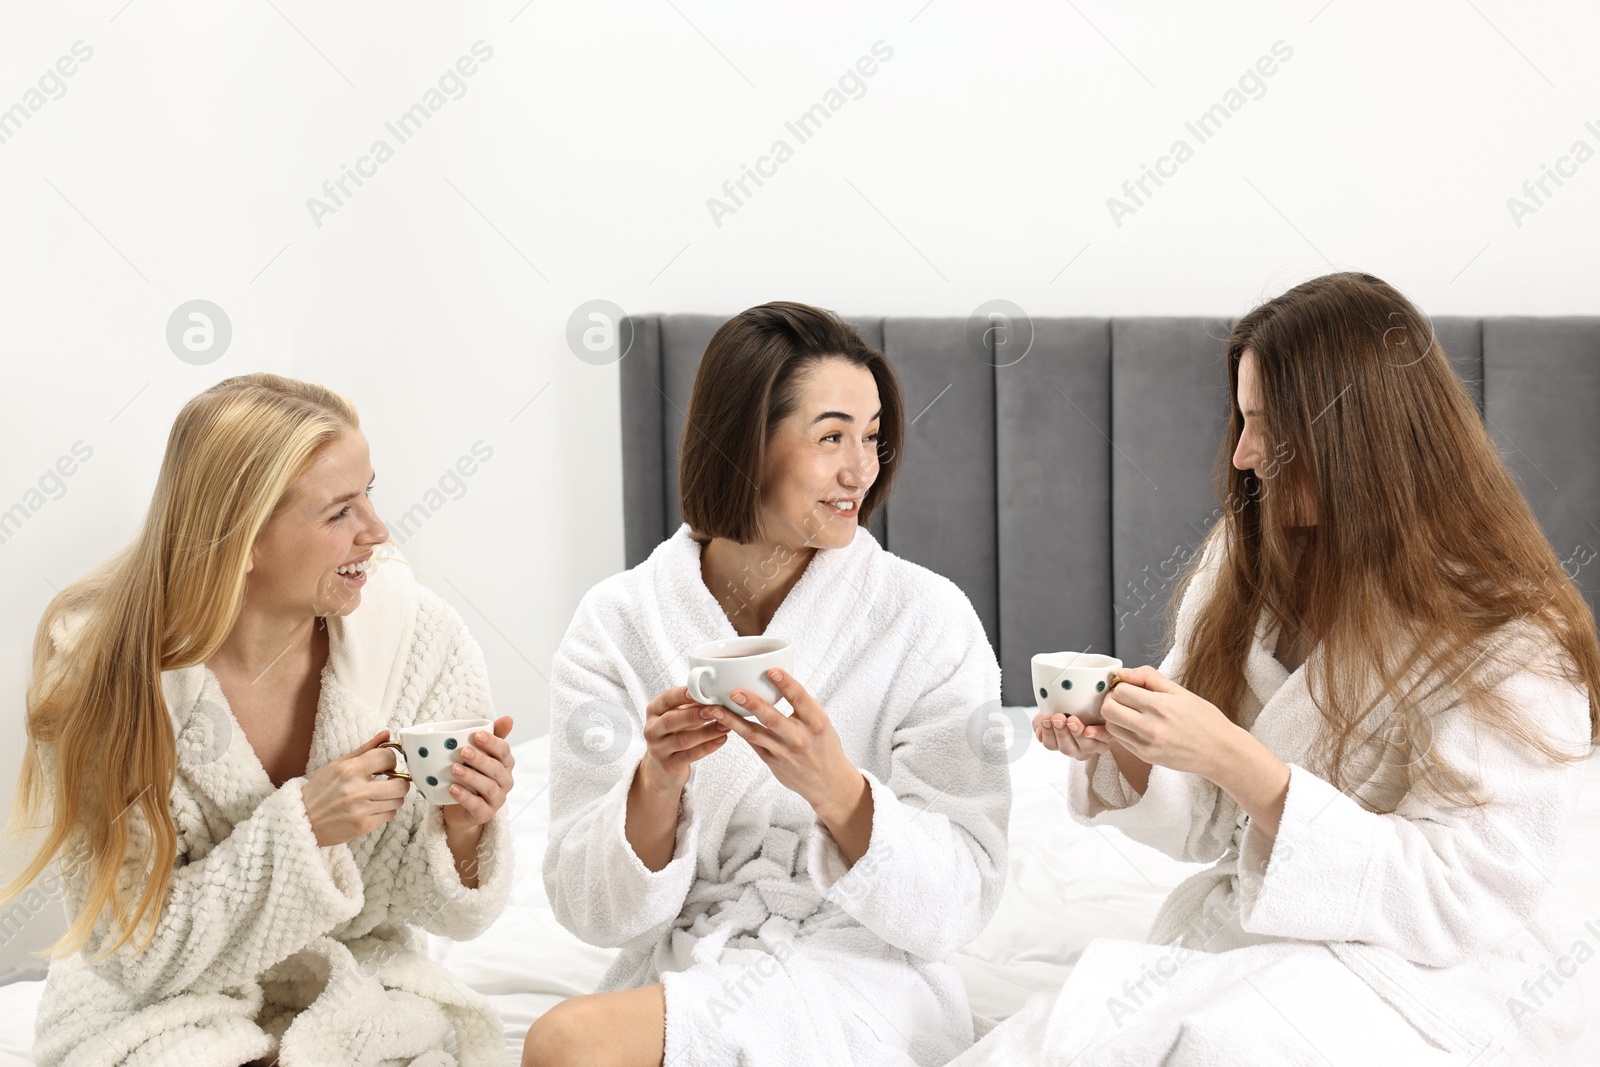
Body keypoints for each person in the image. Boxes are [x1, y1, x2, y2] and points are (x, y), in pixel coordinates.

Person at [956, 272, 1600, 1065]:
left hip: (1431, 974)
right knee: (1073, 1025)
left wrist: (1237, 759)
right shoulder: (1249, 564)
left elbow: (1461, 895)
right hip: (1277, 935)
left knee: (1201, 1041)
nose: (1242, 453)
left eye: (1268, 425)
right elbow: (1206, 822)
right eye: (1242, 419)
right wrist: (1126, 745)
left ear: (1360, 435)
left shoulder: (1509, 639)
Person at [527, 302, 1011, 1066]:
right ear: (745, 441)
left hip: (863, 969)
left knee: (566, 1043)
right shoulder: (617, 623)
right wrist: (658, 779)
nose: (862, 469)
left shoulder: (925, 618)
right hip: (691, 961)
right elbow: (591, 907)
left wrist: (838, 790)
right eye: (830, 438)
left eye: (872, 437)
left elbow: (960, 895)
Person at [2, 373, 519, 1066]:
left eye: (371, 490)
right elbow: (134, 951)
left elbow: (451, 912)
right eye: (339, 512)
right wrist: (304, 826)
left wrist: (463, 831)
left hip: (354, 981)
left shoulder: (413, 638)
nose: (377, 530)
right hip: (160, 1004)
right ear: (243, 540)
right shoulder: (103, 676)